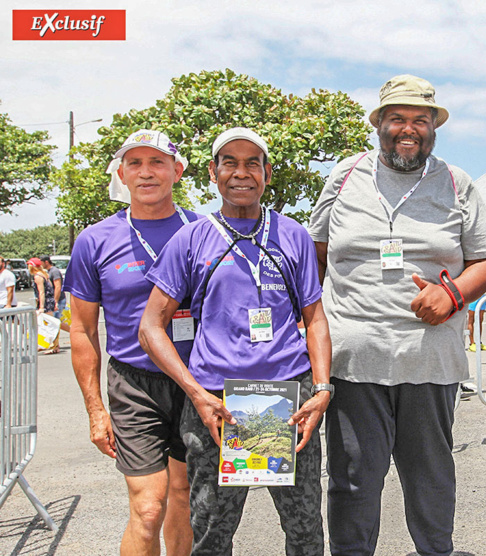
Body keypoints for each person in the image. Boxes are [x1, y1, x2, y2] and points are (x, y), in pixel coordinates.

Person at [309, 75, 486, 556]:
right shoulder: (345, 176)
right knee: (352, 483)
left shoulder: (457, 183)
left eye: (420, 120)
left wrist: (453, 294)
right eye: (398, 119)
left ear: (434, 128)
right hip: (353, 362)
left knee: (431, 482)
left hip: (429, 362)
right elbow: (315, 255)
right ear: (380, 124)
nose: (408, 129)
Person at [139, 127, 331, 556]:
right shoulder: (192, 237)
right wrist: (195, 392)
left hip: (288, 401)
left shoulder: (293, 235)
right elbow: (151, 326)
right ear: (213, 172)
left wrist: (321, 389)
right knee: (211, 531)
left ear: (266, 173)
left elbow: (315, 318)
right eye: (230, 162)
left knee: (304, 532)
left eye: (252, 163)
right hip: (218, 405)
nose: (241, 173)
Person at [64, 129, 199, 556]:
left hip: (197, 384)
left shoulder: (204, 230)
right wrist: (95, 411)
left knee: (184, 497)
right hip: (134, 385)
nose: (146, 173)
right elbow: (83, 331)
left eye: (157, 162)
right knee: (147, 507)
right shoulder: (94, 240)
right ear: (121, 174)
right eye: (135, 164)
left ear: (176, 171)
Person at [42, 255, 71, 351]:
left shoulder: (54, 271)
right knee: (56, 322)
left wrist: (55, 301)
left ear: (46, 262)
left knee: (54, 323)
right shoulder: (49, 272)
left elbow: (58, 287)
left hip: (58, 300)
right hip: (55, 300)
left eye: (41, 262)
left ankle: (55, 346)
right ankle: (73, 334)